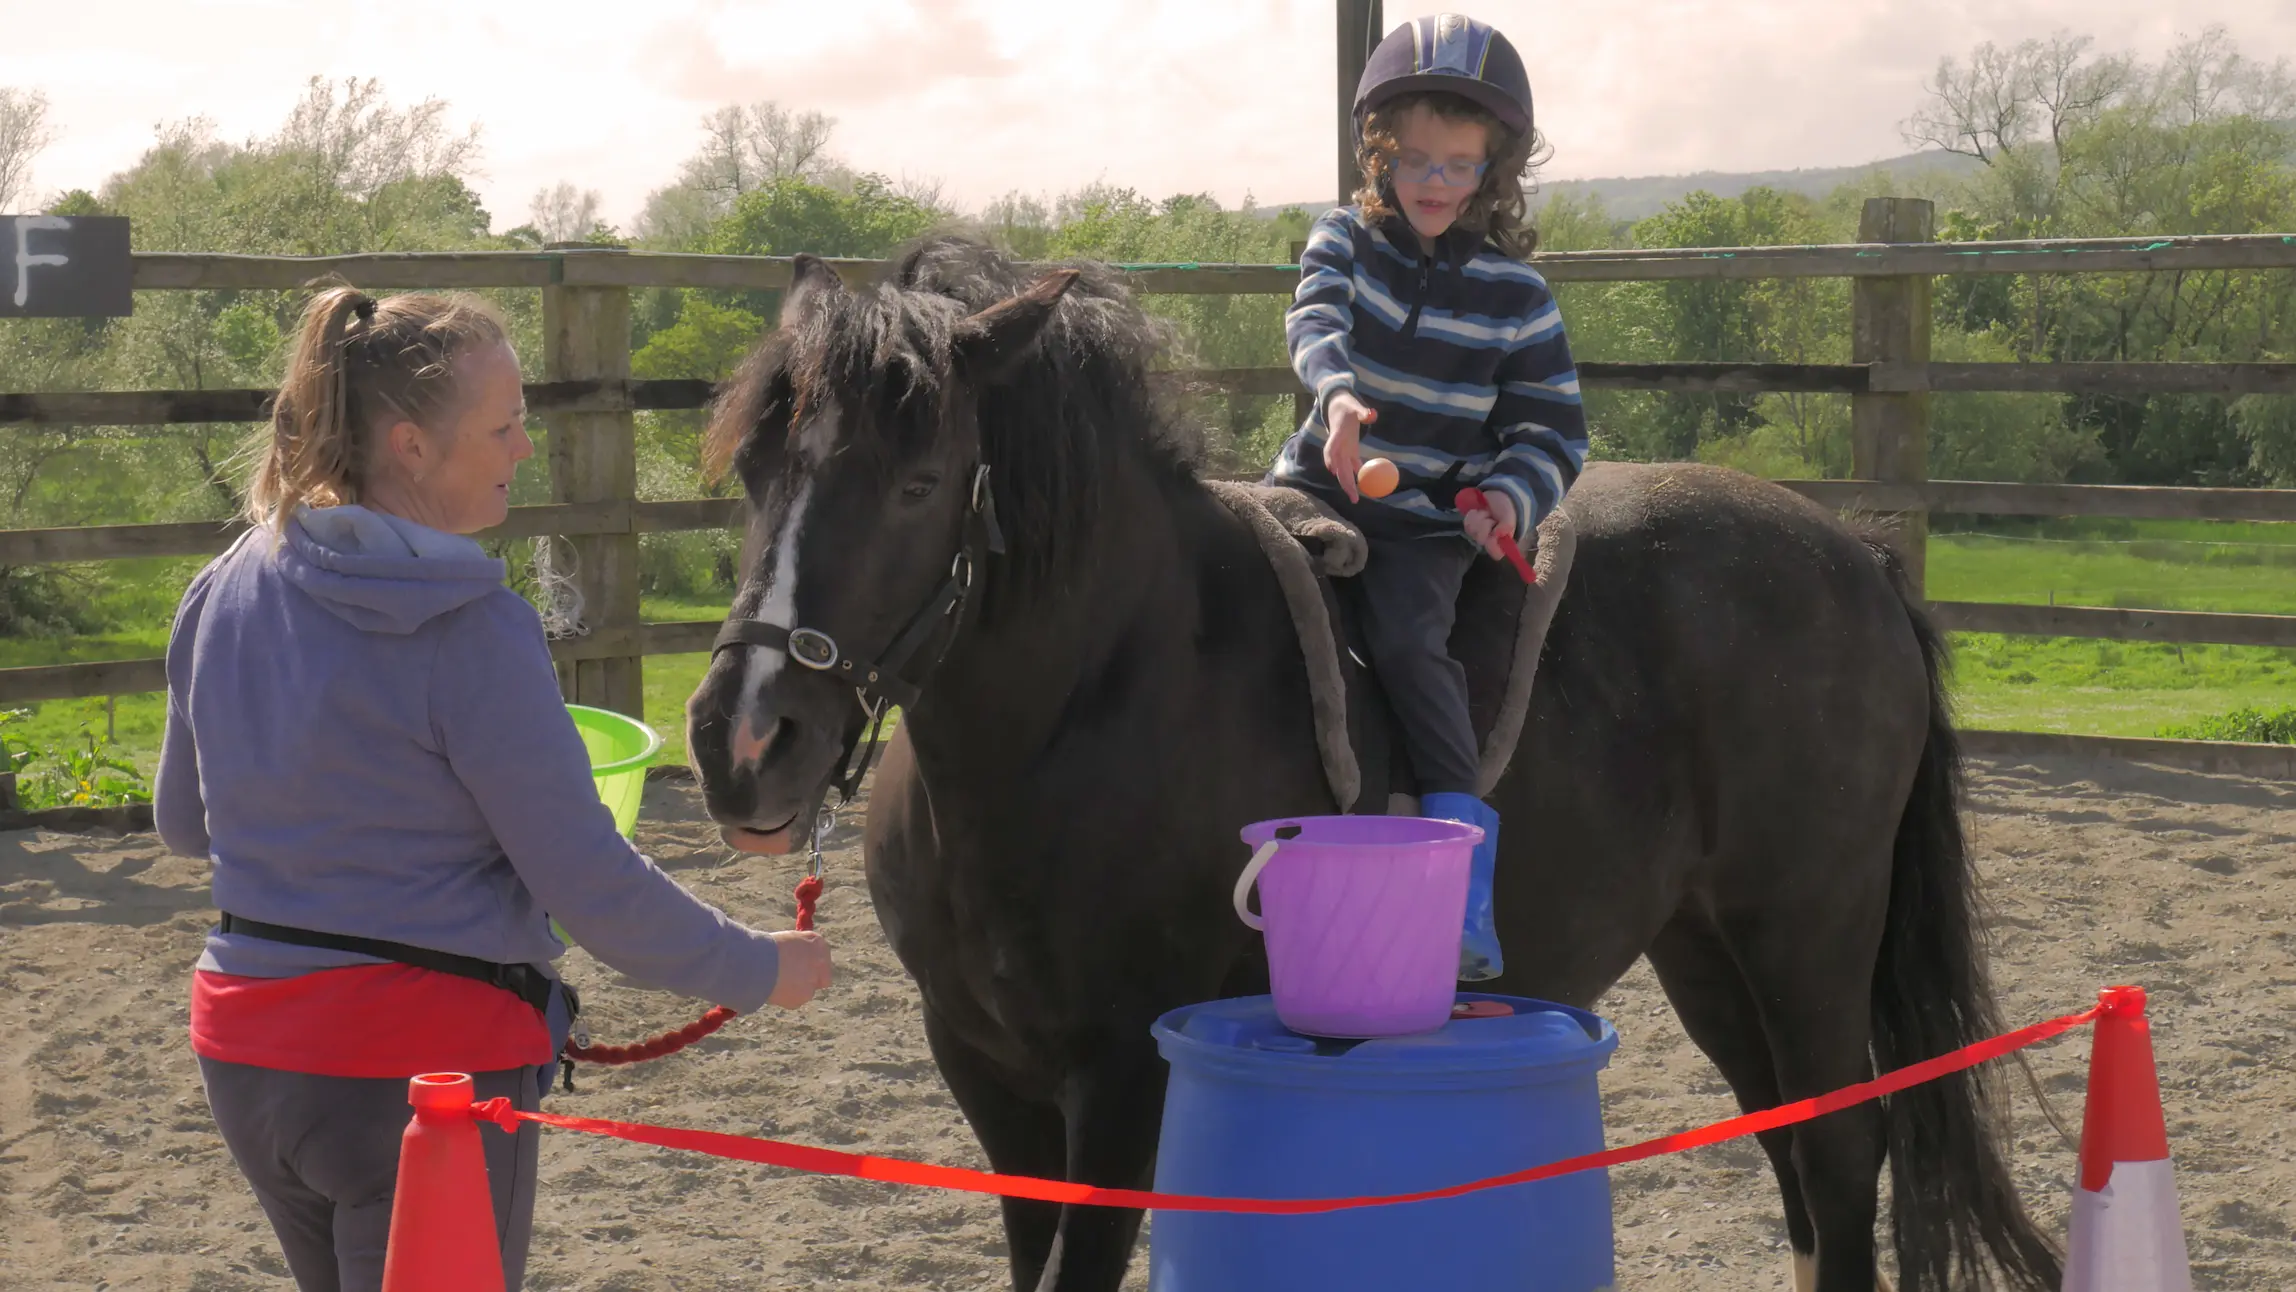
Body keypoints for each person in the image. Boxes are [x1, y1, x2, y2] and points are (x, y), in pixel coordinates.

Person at [154, 284, 833, 1291]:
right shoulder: (471, 629)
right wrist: (759, 968)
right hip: (420, 1075)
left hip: (246, 1055)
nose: (524, 448)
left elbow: (183, 821)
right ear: (409, 447)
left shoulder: (223, 583)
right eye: (505, 425)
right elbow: (589, 884)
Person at [1268, 13, 1589, 982]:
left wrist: (1503, 493)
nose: (1434, 181)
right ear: (1380, 154)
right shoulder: (1343, 241)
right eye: (1414, 159)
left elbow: (1552, 431)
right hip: (1317, 481)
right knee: (1227, 593)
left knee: (1411, 642)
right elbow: (1316, 319)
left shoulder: (1517, 296)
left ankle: (1459, 884)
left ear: (1493, 168)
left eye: (1457, 163)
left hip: (1421, 523)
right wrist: (1336, 397)